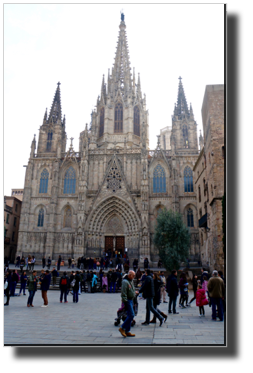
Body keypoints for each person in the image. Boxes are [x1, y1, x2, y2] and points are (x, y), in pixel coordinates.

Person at [119, 270, 138, 337]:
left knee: (129, 315)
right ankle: (122, 328)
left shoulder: (130, 281)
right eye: (133, 275)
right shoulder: (125, 282)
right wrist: (125, 301)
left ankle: (127, 331)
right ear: (129, 275)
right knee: (131, 315)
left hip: (131, 299)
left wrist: (134, 293)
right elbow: (123, 293)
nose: (134, 277)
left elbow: (131, 290)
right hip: (128, 300)